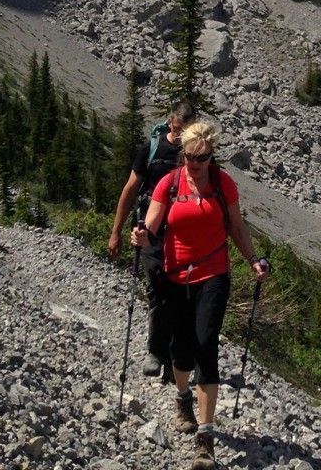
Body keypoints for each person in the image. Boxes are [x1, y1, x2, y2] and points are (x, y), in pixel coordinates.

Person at [131, 119, 270, 470]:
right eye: (190, 156)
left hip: (213, 274)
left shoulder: (223, 185)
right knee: (181, 349)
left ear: (212, 155)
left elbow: (236, 227)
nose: (195, 163)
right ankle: (182, 398)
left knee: (207, 343)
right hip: (176, 275)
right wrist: (142, 237)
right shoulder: (169, 184)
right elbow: (151, 224)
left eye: (202, 157)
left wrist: (253, 259)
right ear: (183, 152)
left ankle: (205, 441)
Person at [108, 98, 196, 378]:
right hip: (150, 230)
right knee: (157, 287)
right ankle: (156, 352)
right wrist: (116, 232)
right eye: (180, 128)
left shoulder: (195, 153)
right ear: (171, 122)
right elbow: (131, 188)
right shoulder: (153, 148)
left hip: (182, 232)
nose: (183, 136)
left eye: (188, 130)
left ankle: (175, 354)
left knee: (181, 291)